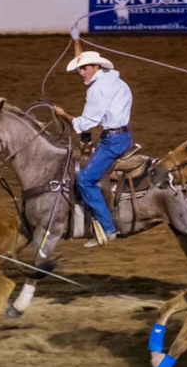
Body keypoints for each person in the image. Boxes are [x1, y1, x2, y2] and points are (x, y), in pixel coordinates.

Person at [54, 27, 133, 248]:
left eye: (85, 69)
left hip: (113, 142)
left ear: (96, 67)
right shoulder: (110, 77)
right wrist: (76, 41)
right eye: (80, 69)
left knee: (85, 179)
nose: (81, 73)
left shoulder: (98, 90)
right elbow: (82, 59)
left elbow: (85, 124)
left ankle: (108, 228)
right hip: (122, 135)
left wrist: (63, 115)